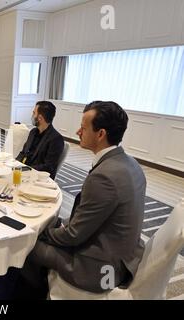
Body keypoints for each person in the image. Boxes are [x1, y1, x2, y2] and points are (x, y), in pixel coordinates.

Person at [16, 101, 146, 299]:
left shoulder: (105, 177)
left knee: (24, 245)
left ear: (100, 134)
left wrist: (41, 232)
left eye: (83, 128)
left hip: (97, 268)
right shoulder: (130, 164)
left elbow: (73, 235)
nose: (78, 132)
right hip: (123, 256)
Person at [15, 101, 64, 179]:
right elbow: (23, 153)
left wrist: (26, 169)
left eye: (34, 113)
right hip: (25, 173)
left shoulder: (56, 139)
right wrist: (14, 164)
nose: (32, 116)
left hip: (39, 177)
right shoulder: (33, 132)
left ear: (40, 118)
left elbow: (48, 167)